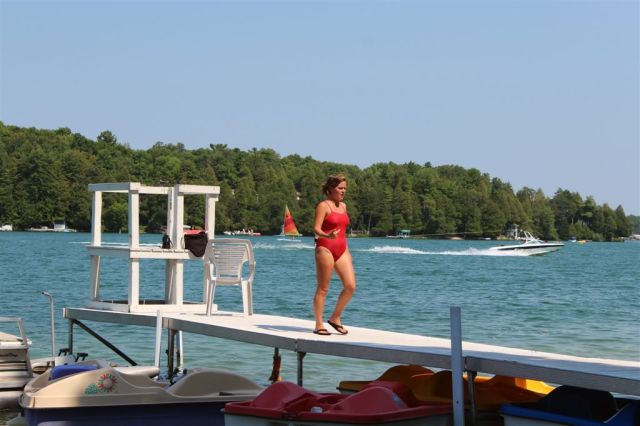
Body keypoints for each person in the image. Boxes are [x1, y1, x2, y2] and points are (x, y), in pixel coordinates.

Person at [312, 174, 356, 336]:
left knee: (350, 286)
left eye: (345, 188)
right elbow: (316, 228)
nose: (343, 191)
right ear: (331, 188)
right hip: (325, 248)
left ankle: (335, 317)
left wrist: (348, 252)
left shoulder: (343, 206)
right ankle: (319, 324)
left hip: (342, 249)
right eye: (340, 188)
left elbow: (343, 231)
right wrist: (327, 235)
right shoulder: (323, 206)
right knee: (323, 288)